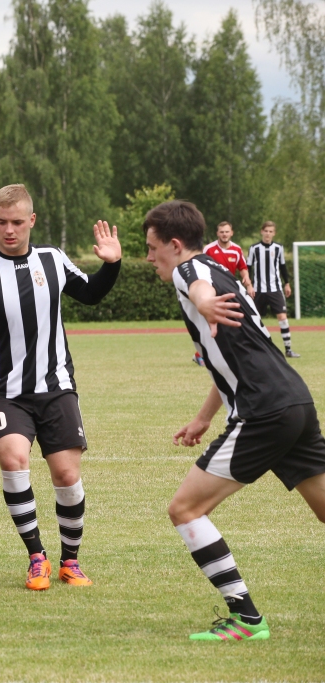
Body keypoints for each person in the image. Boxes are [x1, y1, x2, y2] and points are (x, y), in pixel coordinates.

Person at [143, 199, 325, 641]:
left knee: (185, 508)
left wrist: (204, 305)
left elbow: (199, 289)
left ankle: (246, 619)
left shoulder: (191, 272)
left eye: (151, 248)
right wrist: (205, 416)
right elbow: (228, 357)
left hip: (264, 410)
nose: (148, 258)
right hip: (294, 400)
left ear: (174, 243)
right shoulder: (221, 272)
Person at [0, 184, 121, 590]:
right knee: (14, 461)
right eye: (1, 222)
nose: (8, 230)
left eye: (16, 222)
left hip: (56, 387)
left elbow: (92, 294)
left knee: (66, 475)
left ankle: (70, 560)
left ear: (31, 221)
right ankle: (36, 556)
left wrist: (112, 264)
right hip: (2, 391)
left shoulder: (53, 259)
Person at [195, 222, 255, 366]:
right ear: (217, 233)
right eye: (222, 232)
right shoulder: (209, 249)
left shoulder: (236, 249)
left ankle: (230, 352)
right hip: (213, 290)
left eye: (227, 232)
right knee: (212, 322)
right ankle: (200, 354)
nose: (224, 234)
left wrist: (248, 283)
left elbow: (243, 268)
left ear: (231, 233)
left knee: (233, 322)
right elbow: (198, 266)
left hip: (230, 289)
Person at [248, 221, 299, 358]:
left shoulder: (278, 248)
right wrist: (249, 285)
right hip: (258, 290)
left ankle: (288, 349)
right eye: (266, 231)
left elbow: (282, 267)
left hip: (275, 288)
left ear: (274, 233)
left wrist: (287, 283)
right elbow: (248, 268)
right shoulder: (254, 248)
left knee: (282, 317)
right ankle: (254, 349)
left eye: (271, 231)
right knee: (254, 319)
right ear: (262, 232)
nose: (268, 234)